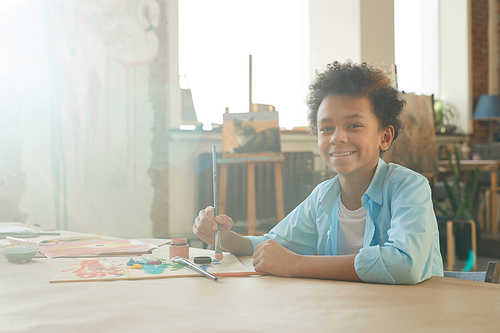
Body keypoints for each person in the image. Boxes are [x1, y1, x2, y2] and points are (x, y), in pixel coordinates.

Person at [193, 61, 444, 284]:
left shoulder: (409, 187)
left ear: (385, 137)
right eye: (326, 128)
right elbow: (272, 245)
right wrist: (226, 237)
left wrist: (295, 265)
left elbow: (405, 263)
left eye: (354, 125)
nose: (337, 138)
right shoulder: (323, 197)